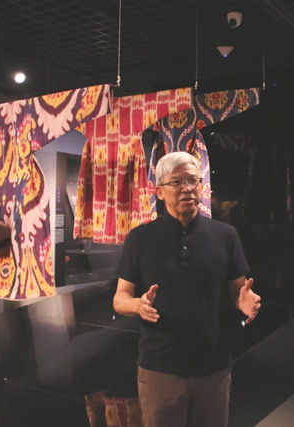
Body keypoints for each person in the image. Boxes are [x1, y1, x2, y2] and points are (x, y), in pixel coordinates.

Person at [114, 152, 261, 427]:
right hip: (159, 368)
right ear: (159, 191)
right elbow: (120, 298)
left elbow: (238, 289)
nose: (187, 188)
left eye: (193, 181)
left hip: (213, 367)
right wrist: (137, 305)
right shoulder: (140, 238)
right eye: (177, 182)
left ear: (202, 187)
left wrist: (244, 300)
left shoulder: (226, 235)